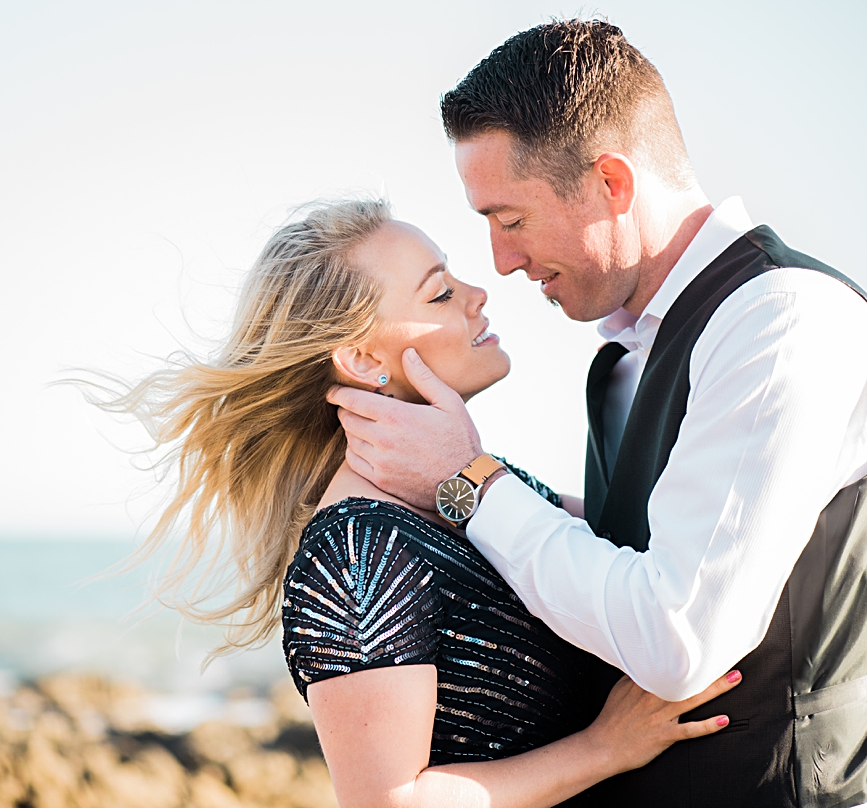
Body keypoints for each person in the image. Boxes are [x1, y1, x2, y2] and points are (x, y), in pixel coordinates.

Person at [328, 19, 867, 808]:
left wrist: (470, 483)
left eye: (510, 219)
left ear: (612, 183)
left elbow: (678, 642)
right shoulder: (632, 352)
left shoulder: (781, 325)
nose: (501, 262)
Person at [87, 197, 741, 807]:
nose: (479, 294)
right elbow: (388, 803)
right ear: (364, 359)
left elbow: (630, 542)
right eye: (441, 291)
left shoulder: (472, 488)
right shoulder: (356, 550)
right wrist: (606, 748)